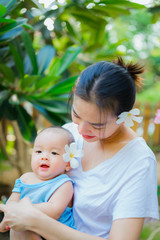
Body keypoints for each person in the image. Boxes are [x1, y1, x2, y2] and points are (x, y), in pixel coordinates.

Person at [0, 57, 159, 240]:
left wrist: (37, 221)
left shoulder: (138, 161)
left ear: (123, 117)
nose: (81, 130)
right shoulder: (69, 134)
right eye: (76, 114)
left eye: (97, 125)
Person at [0, 126, 82, 240]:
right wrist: (9, 213)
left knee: (23, 225)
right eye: (39, 151)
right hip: (26, 228)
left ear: (67, 164)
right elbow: (12, 202)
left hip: (53, 234)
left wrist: (23, 210)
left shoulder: (63, 184)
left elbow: (54, 210)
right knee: (19, 227)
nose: (44, 157)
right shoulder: (25, 179)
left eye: (54, 153)